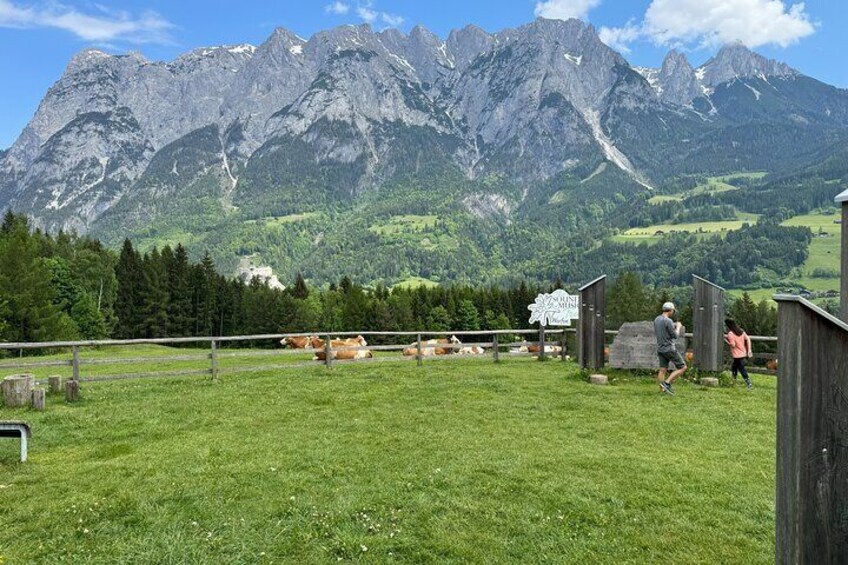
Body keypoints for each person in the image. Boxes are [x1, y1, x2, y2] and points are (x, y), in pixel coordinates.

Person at [654, 302, 687, 395]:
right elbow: (675, 335)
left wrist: (673, 325)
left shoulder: (657, 319)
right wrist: (679, 327)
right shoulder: (668, 321)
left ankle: (662, 390)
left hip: (660, 348)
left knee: (662, 369)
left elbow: (664, 328)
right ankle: (667, 383)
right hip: (669, 348)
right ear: (671, 310)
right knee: (683, 367)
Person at [724, 318, 753, 389]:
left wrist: (725, 340)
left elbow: (733, 345)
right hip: (743, 353)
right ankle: (734, 382)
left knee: (741, 369)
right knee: (734, 367)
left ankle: (748, 383)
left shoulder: (730, 334)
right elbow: (748, 339)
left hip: (737, 355)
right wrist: (749, 350)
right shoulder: (741, 331)